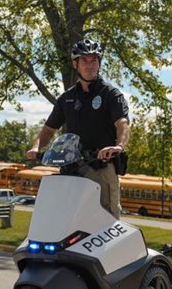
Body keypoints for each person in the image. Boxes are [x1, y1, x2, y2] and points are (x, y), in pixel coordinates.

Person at [27, 38, 129, 219]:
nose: (90, 65)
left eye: (94, 60)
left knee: (105, 218)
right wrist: (37, 147)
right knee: (69, 218)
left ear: (99, 63)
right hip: (73, 168)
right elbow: (49, 129)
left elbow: (122, 123)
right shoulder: (67, 98)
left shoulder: (110, 94)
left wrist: (119, 146)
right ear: (76, 64)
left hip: (101, 168)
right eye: (84, 60)